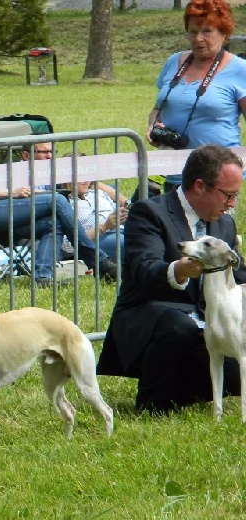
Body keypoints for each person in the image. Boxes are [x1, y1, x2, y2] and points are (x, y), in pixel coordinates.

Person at [97, 144, 245, 414]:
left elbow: (239, 272)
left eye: (236, 196)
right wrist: (178, 270)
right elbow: (143, 269)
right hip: (152, 314)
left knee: (235, 377)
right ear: (199, 185)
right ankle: (153, 405)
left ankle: (186, 392)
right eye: (228, 195)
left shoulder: (224, 224)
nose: (232, 205)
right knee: (180, 327)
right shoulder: (149, 212)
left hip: (207, 323)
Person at [0, 141, 117, 288]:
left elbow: (84, 177)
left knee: (54, 222)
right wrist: (11, 192)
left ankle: (43, 278)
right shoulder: (10, 171)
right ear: (26, 155)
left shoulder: (48, 171)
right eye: (44, 152)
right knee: (57, 199)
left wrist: (122, 200)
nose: (50, 156)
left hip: (25, 220)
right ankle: (98, 261)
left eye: (52, 152)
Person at [147, 0, 246, 192]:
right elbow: (158, 108)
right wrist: (153, 125)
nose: (198, 38)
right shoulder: (173, 62)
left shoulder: (240, 69)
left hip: (216, 176)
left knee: (209, 223)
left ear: (224, 34)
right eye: (193, 32)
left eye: (207, 31)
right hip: (170, 170)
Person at [60, 162, 129, 261]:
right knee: (129, 243)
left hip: (123, 230)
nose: (85, 180)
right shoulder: (64, 203)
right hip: (96, 240)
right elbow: (67, 246)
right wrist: (104, 227)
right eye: (80, 176)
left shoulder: (99, 193)